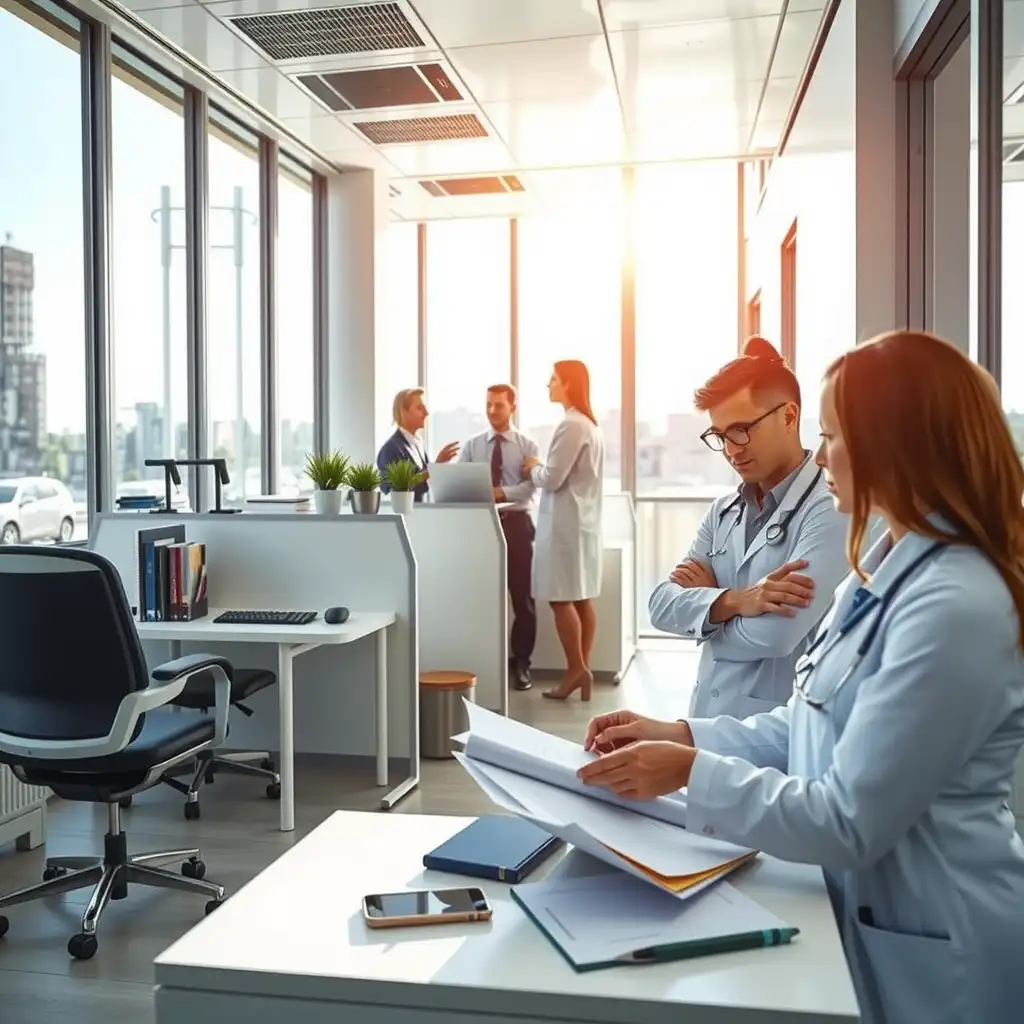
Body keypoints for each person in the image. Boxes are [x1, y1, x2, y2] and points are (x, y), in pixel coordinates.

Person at [577, 330, 1024, 1024]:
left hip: (942, 941)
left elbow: (849, 820)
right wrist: (681, 731)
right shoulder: (884, 561)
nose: (824, 456)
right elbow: (807, 720)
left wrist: (691, 768)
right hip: (863, 911)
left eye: (836, 436)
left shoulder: (957, 602)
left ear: (897, 443)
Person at [649, 336, 849, 720]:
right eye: (720, 436)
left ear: (789, 417)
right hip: (706, 717)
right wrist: (736, 601)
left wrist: (703, 620)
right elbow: (659, 605)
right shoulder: (723, 511)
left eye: (741, 430)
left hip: (775, 731)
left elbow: (776, 636)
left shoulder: (831, 506)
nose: (731, 449)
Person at [521, 360, 604, 702]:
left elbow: (552, 478)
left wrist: (532, 468)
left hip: (565, 526)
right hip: (583, 524)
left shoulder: (571, 425)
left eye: (553, 379)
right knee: (582, 596)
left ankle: (576, 668)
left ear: (568, 383)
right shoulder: (590, 426)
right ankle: (580, 670)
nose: (548, 385)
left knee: (560, 598)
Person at [460, 384, 541, 691]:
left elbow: (529, 488)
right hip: (482, 528)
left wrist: (498, 492)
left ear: (513, 407)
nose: (493, 411)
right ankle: (485, 663)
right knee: (482, 597)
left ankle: (521, 665)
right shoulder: (473, 446)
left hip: (517, 526)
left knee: (522, 599)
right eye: (489, 405)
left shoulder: (527, 445)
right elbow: (460, 482)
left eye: (499, 405)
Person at [377, 388, 459, 502]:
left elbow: (425, 484)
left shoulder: (418, 445)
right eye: (420, 408)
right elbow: (395, 489)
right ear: (403, 412)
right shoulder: (390, 449)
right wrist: (435, 467)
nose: (426, 412)